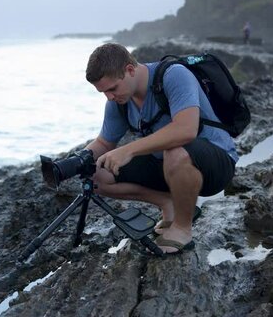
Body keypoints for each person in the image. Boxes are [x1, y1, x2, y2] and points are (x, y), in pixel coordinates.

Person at [83, 43, 238, 254]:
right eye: (103, 92)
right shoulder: (118, 102)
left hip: (215, 165)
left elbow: (186, 130)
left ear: (130, 69)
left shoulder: (174, 75)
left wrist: (128, 150)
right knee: (96, 176)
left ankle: (183, 229)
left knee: (176, 150)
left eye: (112, 89)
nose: (109, 97)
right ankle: (169, 204)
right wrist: (75, 161)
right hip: (167, 166)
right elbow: (103, 143)